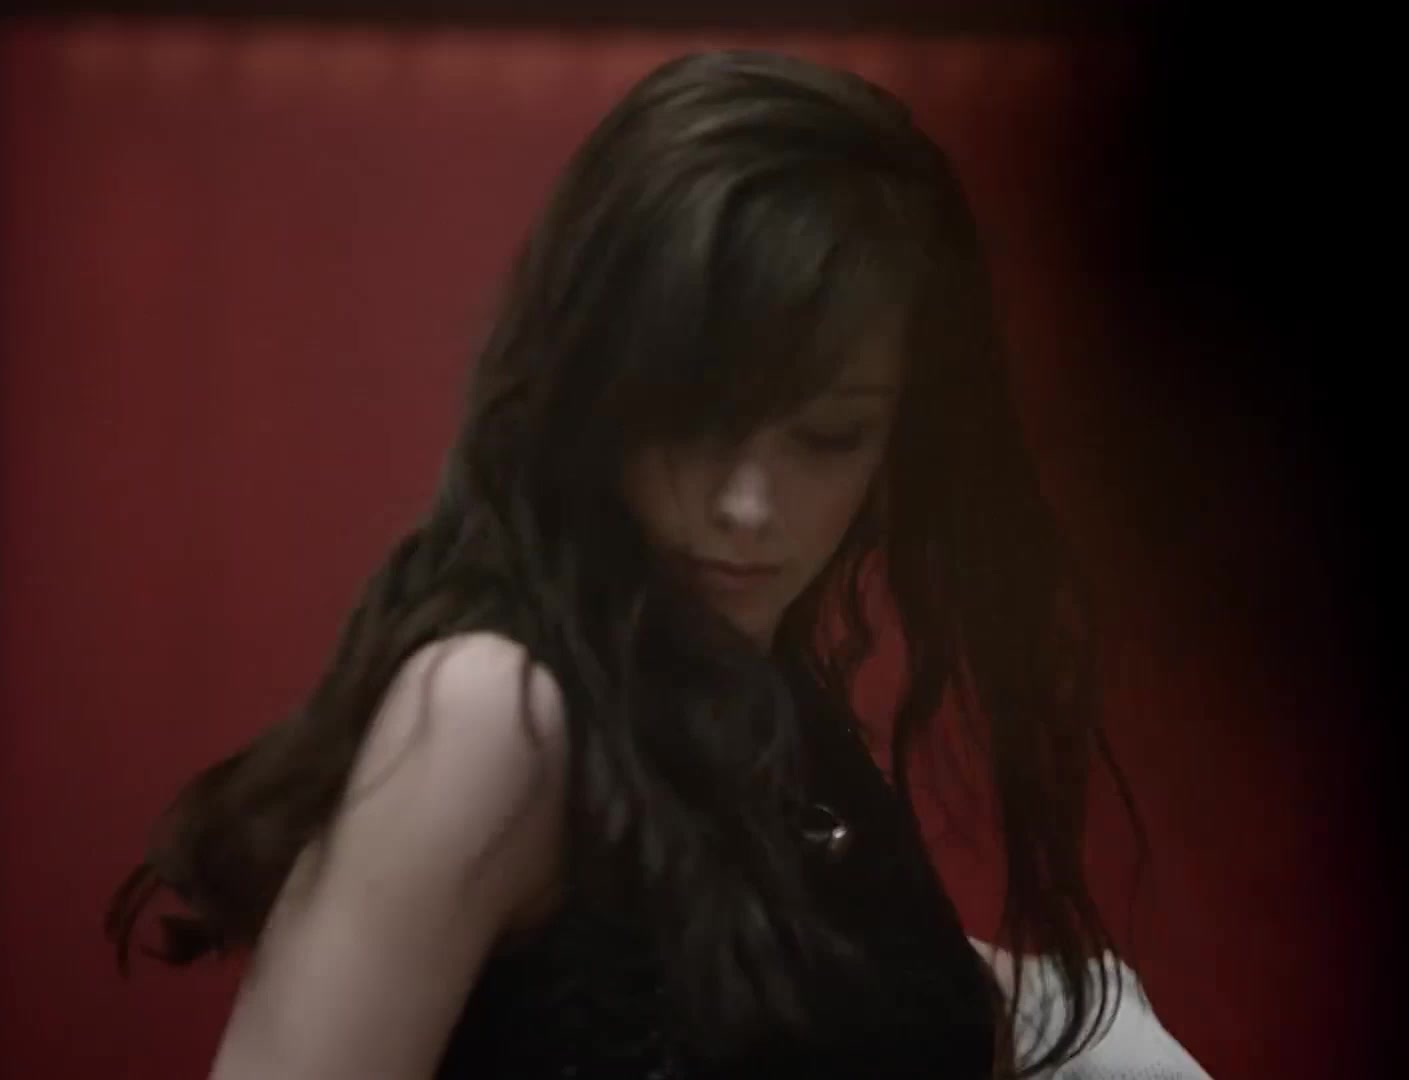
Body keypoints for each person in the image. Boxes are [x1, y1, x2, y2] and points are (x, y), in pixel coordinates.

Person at [106, 49, 1198, 1079]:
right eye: (694, 417)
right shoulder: (496, 711)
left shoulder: (769, 714)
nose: (747, 507)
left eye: (829, 437)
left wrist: (1083, 1027)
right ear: (597, 385)